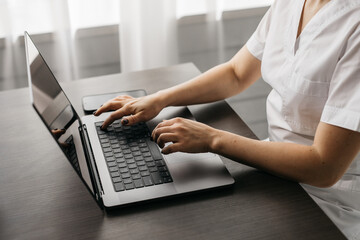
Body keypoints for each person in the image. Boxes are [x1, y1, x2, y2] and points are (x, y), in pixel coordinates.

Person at [95, 0, 360, 238]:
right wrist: (159, 99)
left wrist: (213, 138)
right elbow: (236, 73)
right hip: (274, 171)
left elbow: (324, 167)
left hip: (328, 201)